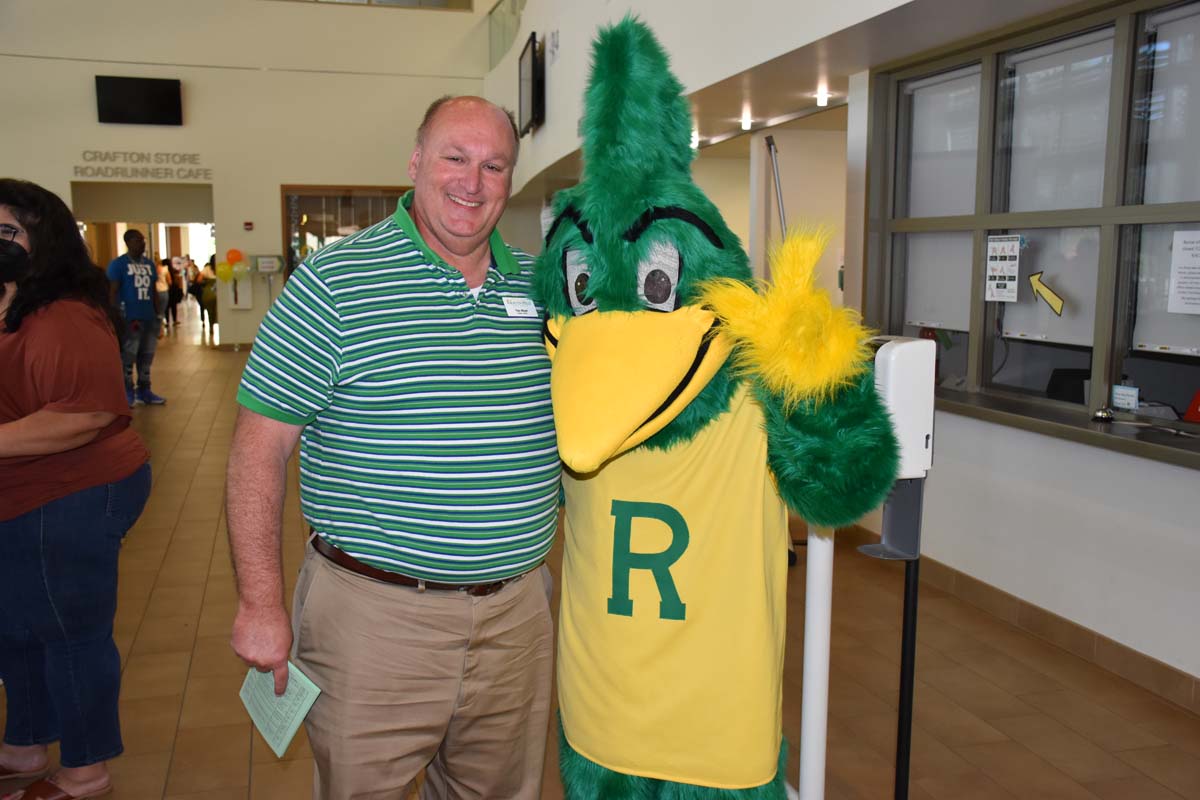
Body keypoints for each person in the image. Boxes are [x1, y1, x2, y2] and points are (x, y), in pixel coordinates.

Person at [227, 95, 559, 800]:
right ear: (414, 164)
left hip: (517, 620)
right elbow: (260, 447)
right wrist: (260, 604)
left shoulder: (544, 286)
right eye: (455, 158)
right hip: (374, 622)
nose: (472, 182)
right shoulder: (334, 283)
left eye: (493, 165)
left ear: (511, 180)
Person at [0, 178, 152, 800]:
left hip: (75, 493)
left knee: (69, 630)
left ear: (45, 240)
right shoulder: (11, 301)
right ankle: (24, 743)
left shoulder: (64, 313)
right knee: (16, 626)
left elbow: (85, 413)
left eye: (9, 232)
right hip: (20, 496)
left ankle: (85, 770)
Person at [107, 230, 165, 406]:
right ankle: (127, 391)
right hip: (129, 319)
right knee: (128, 357)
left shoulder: (149, 264)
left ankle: (144, 390)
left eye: (143, 240)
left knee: (146, 356)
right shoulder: (118, 265)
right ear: (128, 242)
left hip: (149, 318)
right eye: (138, 240)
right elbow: (112, 291)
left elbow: (153, 291)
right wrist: (113, 317)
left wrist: (158, 316)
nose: (143, 243)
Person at [155, 258, 170, 337]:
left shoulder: (151, 270)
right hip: (164, 291)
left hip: (155, 292)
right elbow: (169, 281)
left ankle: (157, 329)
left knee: (156, 312)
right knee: (162, 312)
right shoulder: (165, 270)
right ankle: (160, 330)